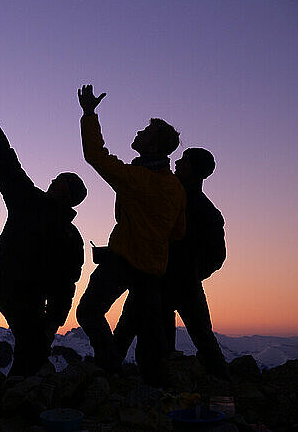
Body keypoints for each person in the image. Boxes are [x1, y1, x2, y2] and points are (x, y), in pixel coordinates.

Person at [0, 87, 87, 377]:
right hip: (13, 290)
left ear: (65, 192)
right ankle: (23, 395)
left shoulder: (32, 205)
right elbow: (5, 161)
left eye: (59, 180)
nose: (52, 180)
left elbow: (66, 282)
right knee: (31, 343)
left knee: (31, 345)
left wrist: (54, 319)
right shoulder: (52, 221)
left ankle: (20, 396)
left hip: (23, 293)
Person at [75, 84, 186, 386]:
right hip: (153, 268)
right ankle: (153, 385)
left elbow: (95, 156)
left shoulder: (136, 178)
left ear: (152, 147)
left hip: (123, 261)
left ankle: (110, 370)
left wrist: (88, 114)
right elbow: (177, 231)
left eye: (145, 133)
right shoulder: (175, 187)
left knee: (89, 312)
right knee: (147, 327)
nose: (138, 134)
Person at [116, 148, 229, 379]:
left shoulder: (175, 199)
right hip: (181, 281)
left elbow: (217, 256)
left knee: (129, 327)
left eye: (185, 161)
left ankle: (113, 374)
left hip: (157, 277)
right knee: (200, 335)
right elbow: (217, 257)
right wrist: (195, 273)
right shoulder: (207, 210)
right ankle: (221, 380)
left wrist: (191, 272)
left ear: (195, 169)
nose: (178, 162)